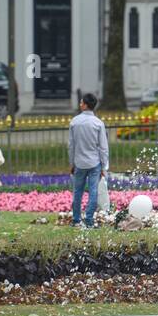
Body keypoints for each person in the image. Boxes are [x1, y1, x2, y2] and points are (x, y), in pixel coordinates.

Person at [68, 93, 108, 228]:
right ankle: (89, 219)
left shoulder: (74, 121)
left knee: (77, 191)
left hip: (79, 162)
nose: (80, 105)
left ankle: (76, 219)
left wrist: (71, 163)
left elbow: (71, 145)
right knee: (93, 191)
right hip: (94, 163)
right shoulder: (98, 123)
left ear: (85, 105)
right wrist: (104, 167)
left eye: (81, 103)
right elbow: (103, 147)